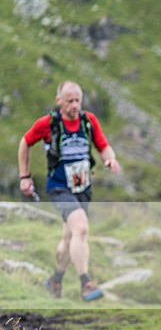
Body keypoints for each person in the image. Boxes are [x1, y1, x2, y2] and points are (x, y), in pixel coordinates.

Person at [18, 80, 121, 301]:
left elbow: (102, 145)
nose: (74, 106)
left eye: (78, 101)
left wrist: (110, 159)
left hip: (82, 188)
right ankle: (86, 283)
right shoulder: (48, 123)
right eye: (69, 101)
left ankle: (55, 280)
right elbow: (25, 142)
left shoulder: (88, 121)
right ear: (59, 101)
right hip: (59, 188)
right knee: (81, 228)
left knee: (69, 237)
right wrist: (24, 176)